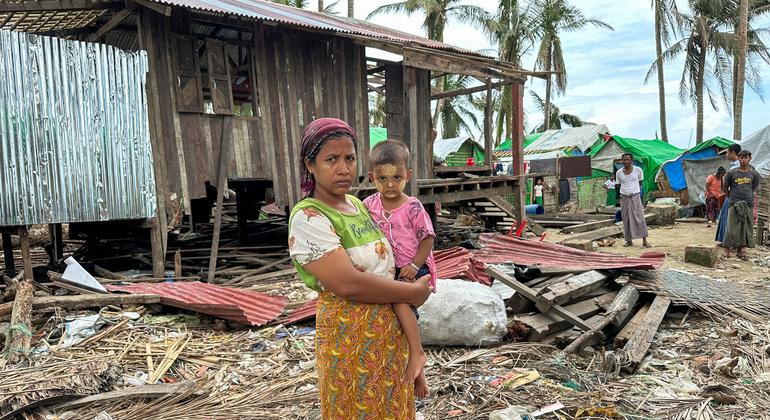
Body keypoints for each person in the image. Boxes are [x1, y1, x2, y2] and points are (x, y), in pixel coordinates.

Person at [287, 118, 432, 419]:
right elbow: (348, 284)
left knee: (394, 408)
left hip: (389, 336)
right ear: (310, 165)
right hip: (349, 338)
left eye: (350, 158)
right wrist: (412, 292)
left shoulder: (358, 205)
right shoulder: (309, 216)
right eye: (331, 159)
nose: (343, 168)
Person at [363, 139, 437, 399]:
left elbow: (428, 237)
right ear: (372, 178)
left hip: (415, 266)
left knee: (400, 303)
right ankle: (418, 372)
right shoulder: (369, 205)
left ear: (408, 175)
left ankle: (418, 354)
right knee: (398, 320)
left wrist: (415, 264)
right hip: (390, 269)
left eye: (397, 177)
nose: (390, 185)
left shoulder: (413, 207)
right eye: (382, 179)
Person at [722, 150, 760, 260]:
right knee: (731, 227)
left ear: (750, 158)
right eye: (741, 157)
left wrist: (747, 197)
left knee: (745, 227)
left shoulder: (754, 174)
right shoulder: (731, 173)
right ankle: (727, 250)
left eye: (746, 157)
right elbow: (725, 188)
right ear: (738, 158)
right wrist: (732, 197)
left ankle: (741, 251)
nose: (743, 159)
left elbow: (754, 187)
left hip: (748, 204)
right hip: (734, 203)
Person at [615, 153, 651, 248]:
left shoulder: (638, 170)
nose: (626, 161)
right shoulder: (619, 173)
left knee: (639, 218)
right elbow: (618, 185)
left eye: (628, 159)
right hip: (624, 197)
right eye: (624, 160)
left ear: (632, 160)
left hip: (635, 197)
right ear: (622, 161)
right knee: (626, 218)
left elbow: (640, 183)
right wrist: (623, 194)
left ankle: (644, 241)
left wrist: (634, 192)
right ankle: (628, 241)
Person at [715, 143, 742, 244]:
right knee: (726, 216)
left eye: (727, 152)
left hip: (734, 195)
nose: (726, 154)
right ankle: (725, 241)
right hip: (730, 195)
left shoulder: (739, 166)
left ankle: (731, 242)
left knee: (731, 219)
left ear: (733, 153)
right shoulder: (734, 165)